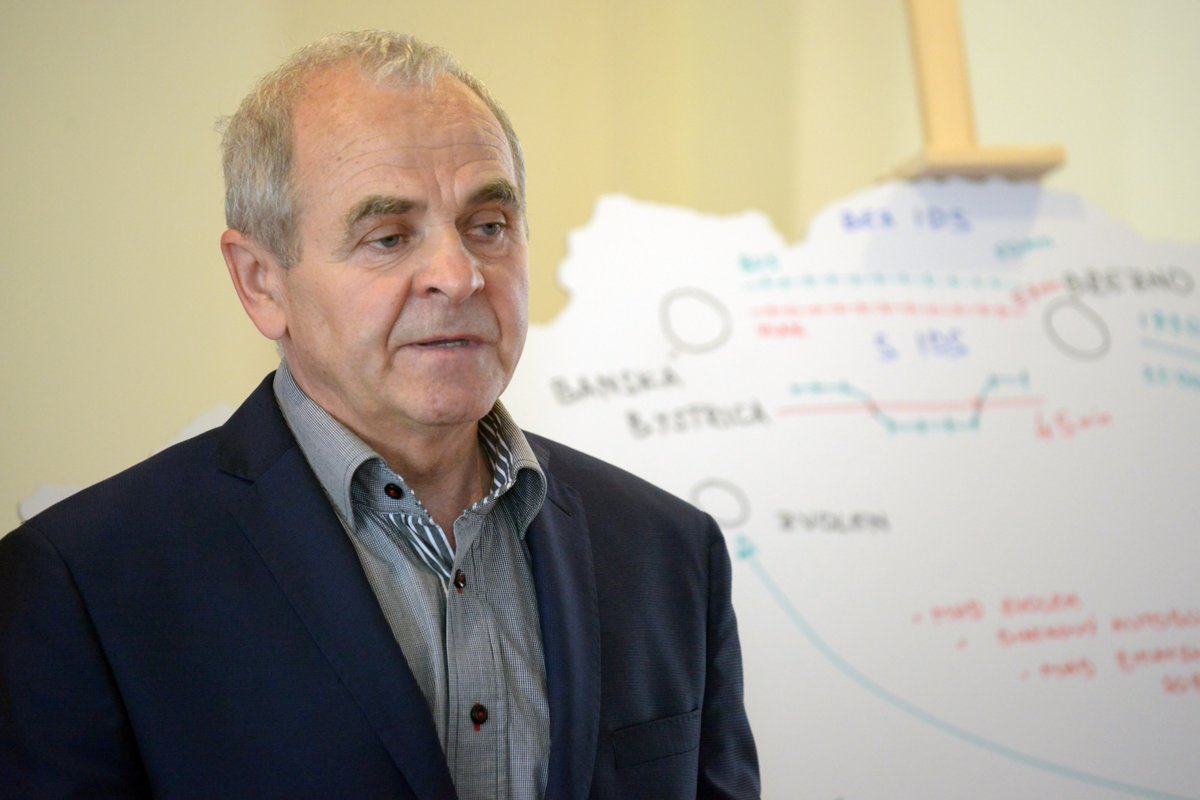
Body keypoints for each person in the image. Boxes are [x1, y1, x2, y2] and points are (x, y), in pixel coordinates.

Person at [0, 31, 759, 799]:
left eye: (488, 226)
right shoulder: (84, 584)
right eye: (389, 237)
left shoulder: (670, 552)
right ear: (260, 281)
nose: (459, 276)